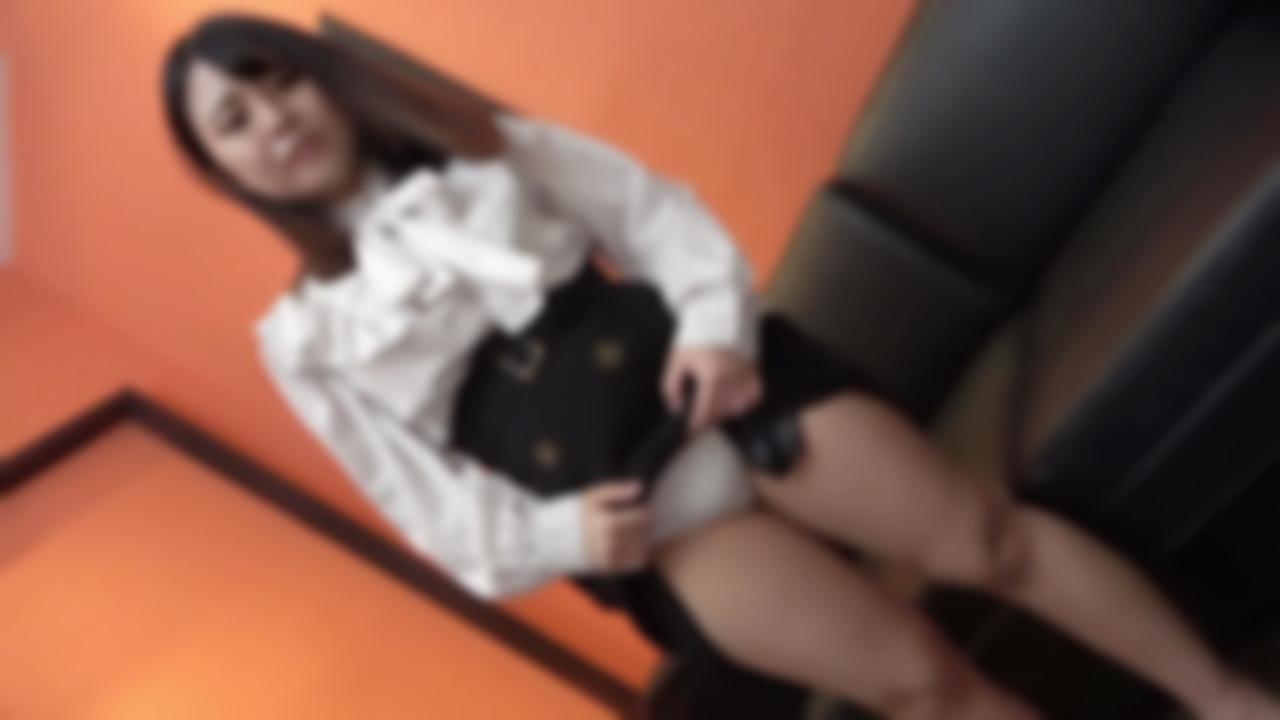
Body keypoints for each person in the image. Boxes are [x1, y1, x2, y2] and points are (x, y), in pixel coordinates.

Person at [160, 13, 1279, 720]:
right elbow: (428, 506)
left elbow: (652, 215)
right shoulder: (303, 340)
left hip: (733, 393)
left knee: (988, 542)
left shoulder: (481, 144)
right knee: (921, 688)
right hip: (643, 518)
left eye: (275, 82)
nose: (272, 121)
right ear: (228, 175)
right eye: (234, 121)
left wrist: (712, 329)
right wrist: (560, 540)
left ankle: (1229, 700)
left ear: (323, 77)